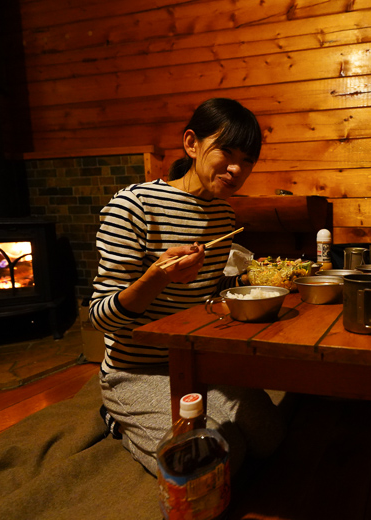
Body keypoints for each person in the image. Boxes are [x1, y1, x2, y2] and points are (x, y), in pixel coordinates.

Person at [89, 98, 288, 477]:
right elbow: (100, 319)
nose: (236, 169)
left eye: (247, 161)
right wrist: (157, 277)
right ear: (192, 143)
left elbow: (205, 299)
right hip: (135, 370)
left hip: (196, 362)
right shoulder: (133, 206)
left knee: (270, 436)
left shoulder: (224, 215)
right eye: (226, 152)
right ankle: (118, 417)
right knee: (212, 461)